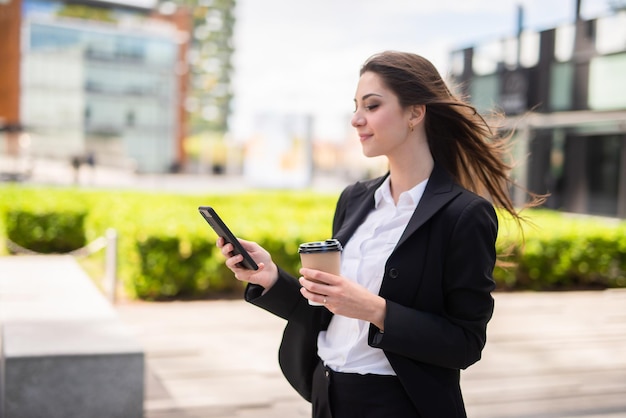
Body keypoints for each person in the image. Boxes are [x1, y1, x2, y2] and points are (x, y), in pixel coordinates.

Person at [218, 51, 543, 418]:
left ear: (415, 113)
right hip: (327, 395)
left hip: (397, 404)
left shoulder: (464, 215)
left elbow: (465, 343)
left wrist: (376, 309)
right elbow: (329, 310)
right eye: (356, 107)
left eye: (371, 106)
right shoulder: (354, 198)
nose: (356, 119)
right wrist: (271, 278)